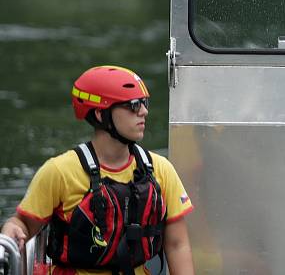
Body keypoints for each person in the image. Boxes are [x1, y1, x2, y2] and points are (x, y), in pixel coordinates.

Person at [1, 65, 195, 275]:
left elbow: (177, 244)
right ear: (101, 115)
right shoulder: (59, 171)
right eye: (133, 105)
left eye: (144, 103)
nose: (144, 111)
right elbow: (24, 224)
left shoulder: (161, 169)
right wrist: (12, 228)